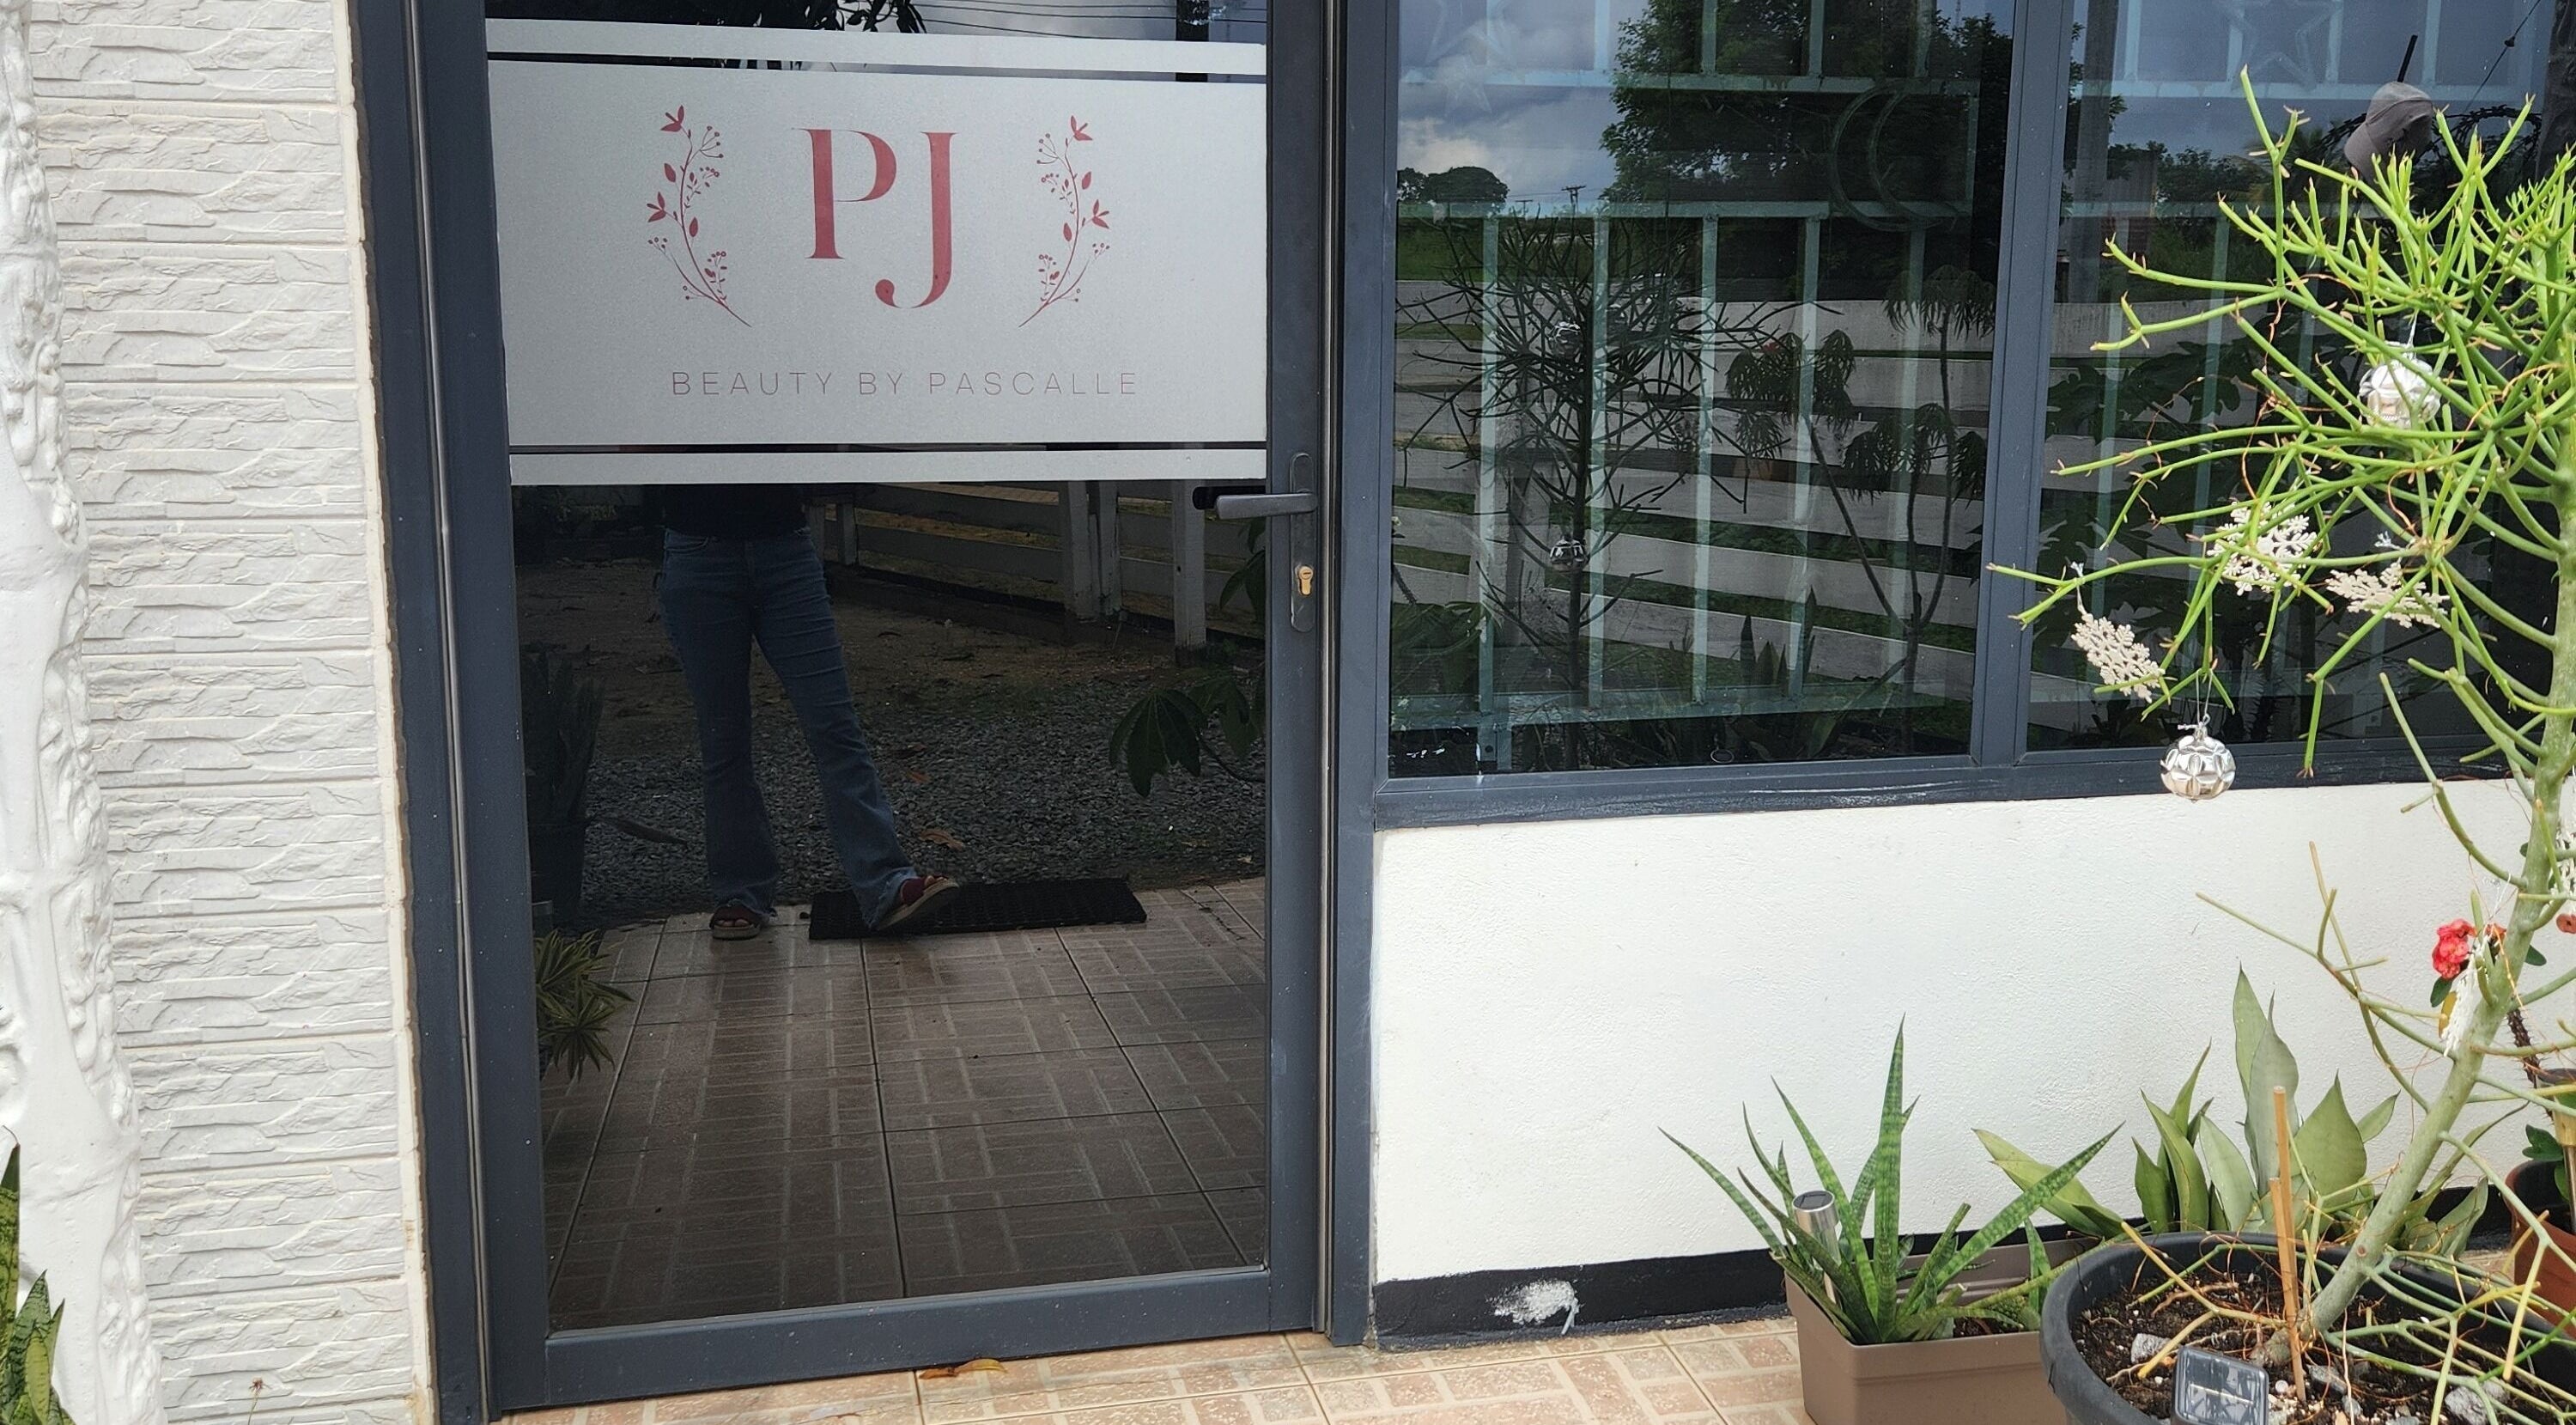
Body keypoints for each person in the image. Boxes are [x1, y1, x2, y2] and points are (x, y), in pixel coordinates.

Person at [653, 483, 958, 939]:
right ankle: (741, 893)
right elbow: (635, 443)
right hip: (699, 552)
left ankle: (887, 885)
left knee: (834, 727)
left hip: (785, 549)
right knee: (723, 740)